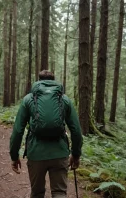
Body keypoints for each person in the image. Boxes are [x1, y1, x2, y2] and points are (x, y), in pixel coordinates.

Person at [9, 70, 83, 198]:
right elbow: (76, 130)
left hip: (36, 154)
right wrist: (76, 155)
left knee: (37, 193)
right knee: (59, 192)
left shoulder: (28, 99)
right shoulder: (64, 99)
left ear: (39, 80)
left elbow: (17, 131)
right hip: (60, 153)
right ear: (53, 81)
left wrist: (14, 156)